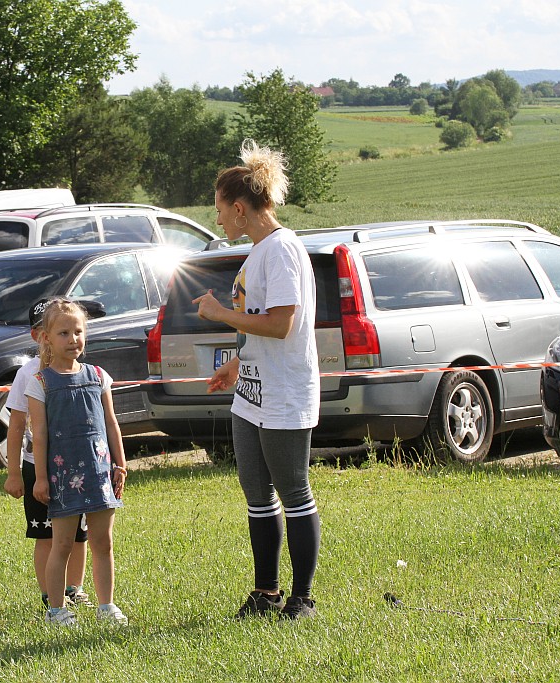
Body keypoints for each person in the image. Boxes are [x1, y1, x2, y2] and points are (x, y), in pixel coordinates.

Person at [193, 139, 321, 620]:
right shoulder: (257, 253)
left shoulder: (282, 250)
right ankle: (266, 593)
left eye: (222, 211)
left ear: (242, 209)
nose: (220, 220)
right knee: (256, 491)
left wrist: (221, 314)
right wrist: (237, 361)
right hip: (252, 391)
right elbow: (261, 327)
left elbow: (283, 323)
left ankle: (302, 599)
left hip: (285, 394)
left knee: (293, 491)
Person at [26, 299, 129, 627]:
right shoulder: (40, 383)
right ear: (46, 338)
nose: (73, 339)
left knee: (103, 542)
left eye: (79, 332)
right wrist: (40, 478)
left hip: (99, 473)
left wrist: (120, 464)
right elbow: (39, 435)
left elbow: (111, 423)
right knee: (63, 545)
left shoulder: (99, 376)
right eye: (64, 333)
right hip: (62, 476)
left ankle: (107, 606)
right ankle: (56, 610)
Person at [3, 298, 100, 611]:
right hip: (38, 467)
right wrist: (15, 472)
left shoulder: (85, 372)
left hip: (78, 466)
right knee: (46, 535)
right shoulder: (28, 374)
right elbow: (17, 426)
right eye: (53, 331)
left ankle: (76, 589)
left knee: (78, 535)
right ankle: (50, 596)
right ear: (40, 335)